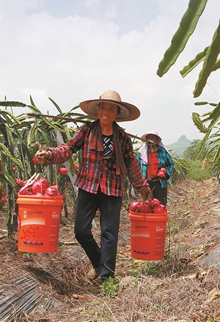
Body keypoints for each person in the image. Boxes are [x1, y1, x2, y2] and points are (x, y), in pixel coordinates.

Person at [34, 90, 152, 284]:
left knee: (109, 233)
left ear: (117, 113)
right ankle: (98, 262)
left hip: (112, 189)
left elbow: (131, 164)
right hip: (88, 186)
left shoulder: (122, 138)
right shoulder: (87, 130)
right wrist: (50, 154)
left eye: (111, 109)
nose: (106, 111)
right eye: (103, 107)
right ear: (98, 110)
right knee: (80, 231)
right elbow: (69, 148)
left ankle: (107, 279)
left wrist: (142, 186)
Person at [137, 130, 174, 206]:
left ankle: (159, 218)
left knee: (160, 204)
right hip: (146, 183)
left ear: (157, 140)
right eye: (149, 137)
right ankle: (149, 218)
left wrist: (166, 173)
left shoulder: (163, 151)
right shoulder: (142, 152)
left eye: (153, 137)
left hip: (160, 183)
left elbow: (171, 164)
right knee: (147, 205)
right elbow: (137, 167)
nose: (151, 139)